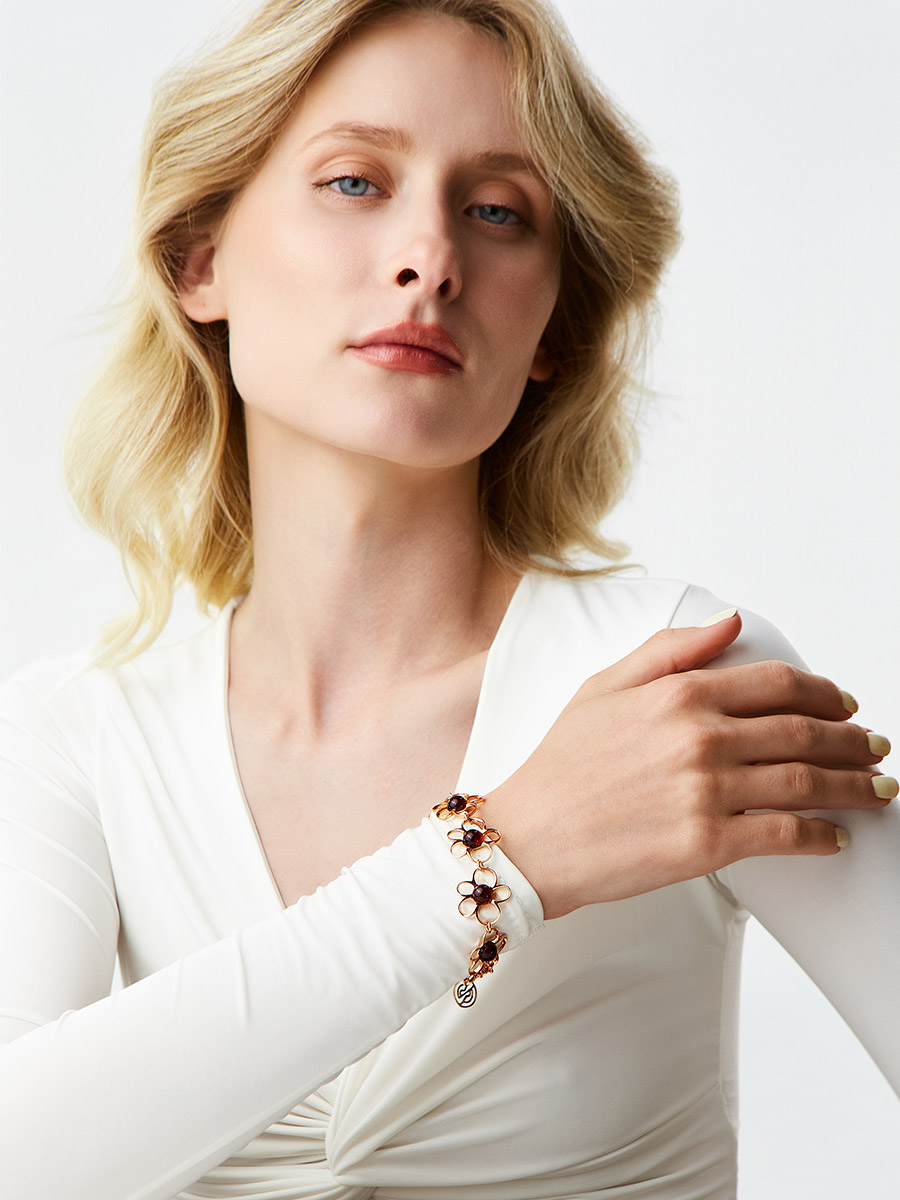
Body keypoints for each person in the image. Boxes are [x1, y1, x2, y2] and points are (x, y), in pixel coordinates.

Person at [0, 1, 897, 1197]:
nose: (430, 256)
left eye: (498, 211)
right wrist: (502, 857)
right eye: (354, 182)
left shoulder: (681, 680)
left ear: (551, 329)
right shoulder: (77, 735)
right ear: (200, 262)